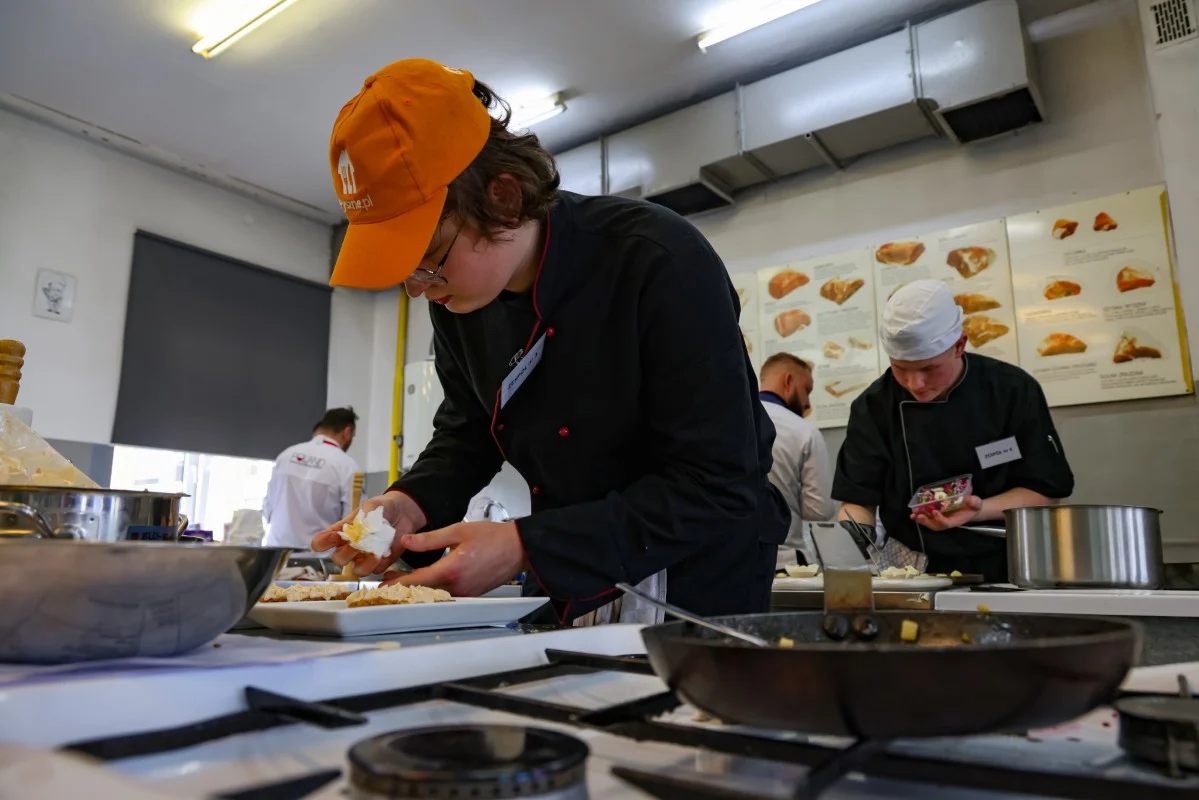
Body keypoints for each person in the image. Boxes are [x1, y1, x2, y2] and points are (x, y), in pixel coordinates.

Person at [311, 58, 789, 623]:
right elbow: (468, 431)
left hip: (700, 577)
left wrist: (524, 544)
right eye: (405, 273)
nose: (418, 290)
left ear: (504, 199)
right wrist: (406, 504)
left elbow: (717, 484)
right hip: (574, 570)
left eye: (428, 262)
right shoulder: (461, 297)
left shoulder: (659, 261)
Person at [833, 280, 1074, 581]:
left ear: (960, 345)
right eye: (900, 368)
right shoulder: (873, 406)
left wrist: (979, 509)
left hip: (1007, 565)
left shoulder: (1011, 390)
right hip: (912, 571)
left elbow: (1046, 492)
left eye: (929, 368)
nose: (914, 383)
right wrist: (847, 546)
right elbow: (858, 501)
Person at [757, 353, 834, 569]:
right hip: (785, 561)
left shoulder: (730, 422)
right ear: (788, 381)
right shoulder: (803, 430)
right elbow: (819, 511)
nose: (808, 402)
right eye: (807, 390)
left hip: (729, 560)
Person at [263, 407, 360, 552]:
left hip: (276, 556)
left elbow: (267, 508)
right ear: (347, 432)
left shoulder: (286, 455)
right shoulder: (346, 465)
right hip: (318, 563)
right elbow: (352, 522)